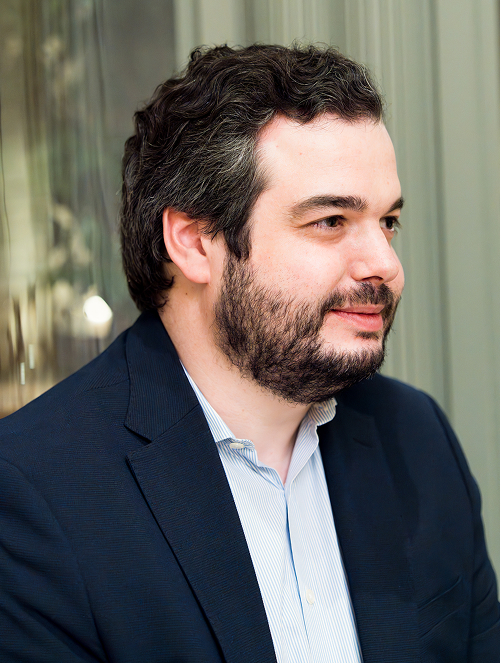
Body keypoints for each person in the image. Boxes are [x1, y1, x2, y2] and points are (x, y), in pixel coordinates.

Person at [0, 44, 498, 663]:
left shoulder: (417, 439)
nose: (386, 265)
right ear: (194, 243)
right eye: (331, 221)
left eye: (387, 222)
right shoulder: (35, 494)